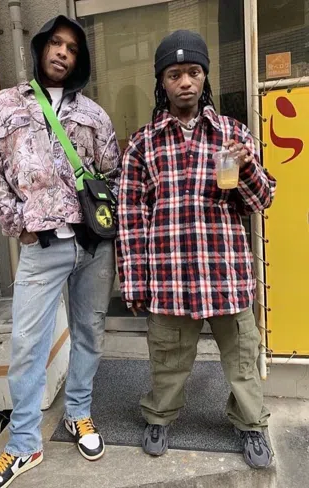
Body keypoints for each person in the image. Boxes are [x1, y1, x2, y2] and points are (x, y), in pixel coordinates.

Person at [117, 30, 276, 469]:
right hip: (170, 278)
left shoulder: (233, 134)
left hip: (226, 274)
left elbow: (261, 201)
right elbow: (131, 218)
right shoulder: (142, 144)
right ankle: (159, 417)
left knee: (243, 358)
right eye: (174, 74)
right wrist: (135, 283)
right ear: (161, 82)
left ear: (205, 76)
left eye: (193, 72)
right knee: (167, 359)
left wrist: (246, 168)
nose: (185, 82)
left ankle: (251, 424)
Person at [0, 15, 120, 488]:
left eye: (72, 48)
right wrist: (18, 224)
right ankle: (23, 445)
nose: (62, 53)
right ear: (40, 47)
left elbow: (112, 172)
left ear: (80, 59)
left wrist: (106, 222)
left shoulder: (94, 114)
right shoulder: (1, 108)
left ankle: (78, 413)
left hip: (93, 246)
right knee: (27, 346)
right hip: (42, 246)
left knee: (89, 332)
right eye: (56, 43)